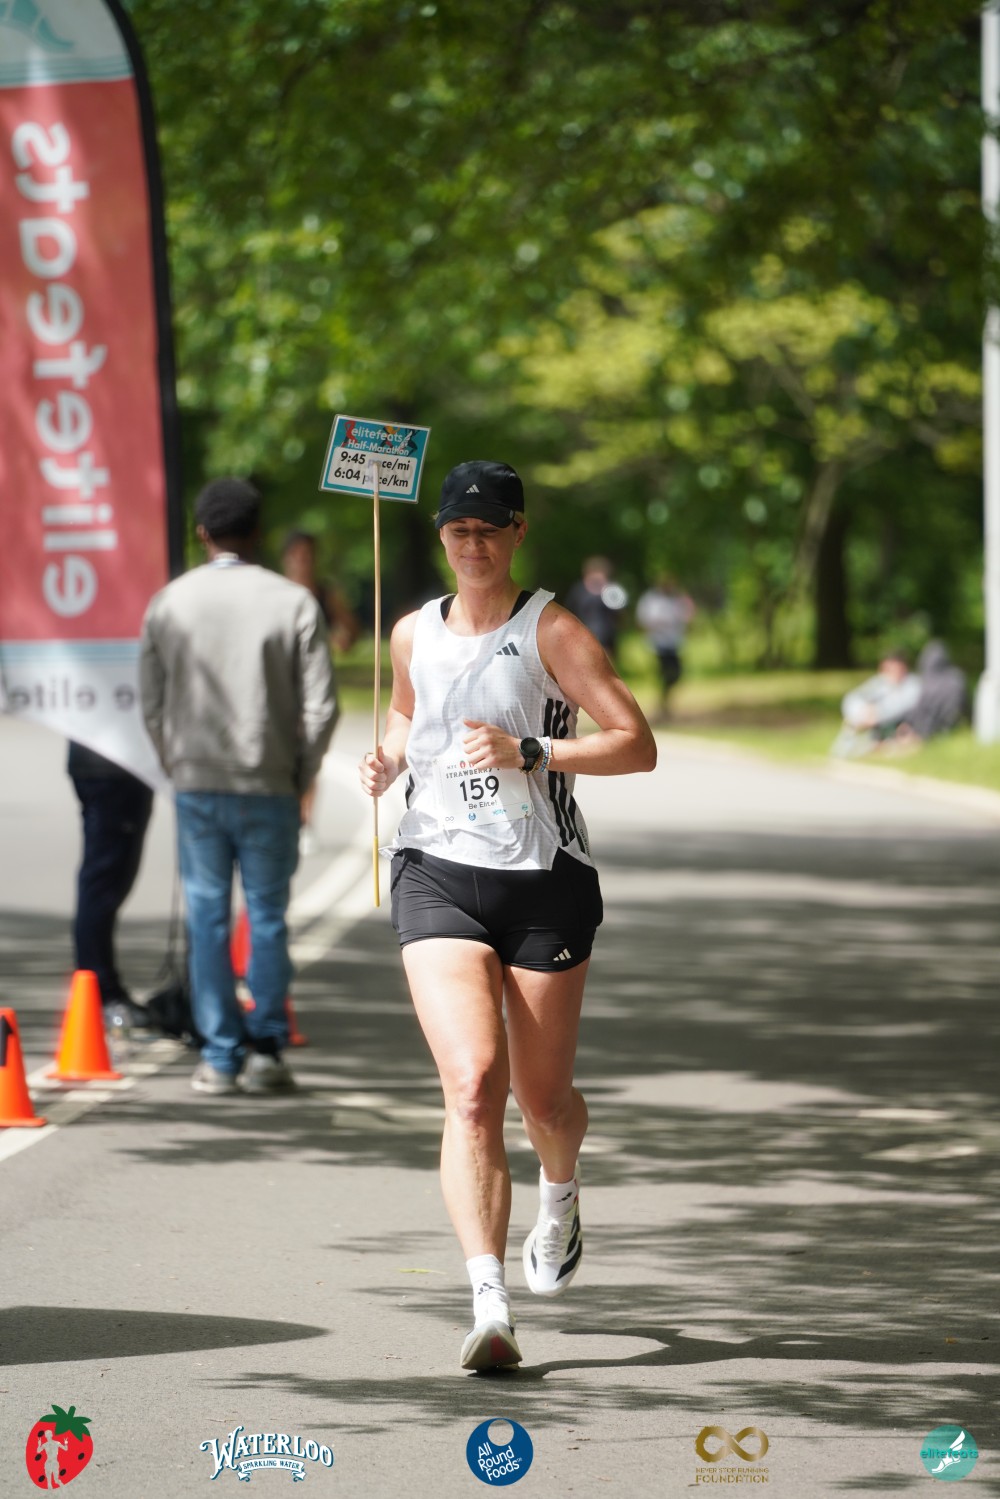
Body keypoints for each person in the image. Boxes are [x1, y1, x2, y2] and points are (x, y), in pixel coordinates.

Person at [359, 460, 656, 1372]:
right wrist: (387, 758)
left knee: (543, 1100)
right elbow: (407, 715)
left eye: (490, 528)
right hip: (436, 871)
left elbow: (636, 745)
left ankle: (559, 1193)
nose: (473, 543)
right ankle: (489, 1300)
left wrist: (533, 750)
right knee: (472, 1084)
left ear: (519, 531)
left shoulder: (551, 630)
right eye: (459, 529)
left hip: (543, 880)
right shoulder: (412, 631)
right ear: (441, 536)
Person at [140, 478, 338, 1095]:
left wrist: (175, 762)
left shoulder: (169, 603)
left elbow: (151, 703)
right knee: (268, 916)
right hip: (270, 782)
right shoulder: (294, 602)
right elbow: (322, 708)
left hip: (198, 782)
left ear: (202, 533)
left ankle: (220, 1055)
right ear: (258, 533)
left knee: (207, 918)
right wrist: (300, 772)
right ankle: (268, 1050)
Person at [67, 741, 154, 1030]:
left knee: (103, 880)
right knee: (104, 882)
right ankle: (102, 993)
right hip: (116, 764)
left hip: (99, 761)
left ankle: (99, 990)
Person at [830, 650, 921, 758]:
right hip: (873, 722)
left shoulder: (913, 685)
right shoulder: (880, 683)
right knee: (852, 726)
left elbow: (903, 706)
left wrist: (878, 713)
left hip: (899, 723)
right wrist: (862, 713)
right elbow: (853, 698)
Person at [636, 574, 696, 719]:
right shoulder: (651, 600)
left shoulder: (677, 599)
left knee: (676, 673)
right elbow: (644, 621)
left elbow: (686, 616)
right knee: (664, 673)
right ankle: (663, 704)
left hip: (673, 642)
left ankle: (665, 700)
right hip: (658, 643)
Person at [564, 556, 626, 663]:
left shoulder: (611, 591)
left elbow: (619, 614)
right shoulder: (578, 591)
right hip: (583, 638)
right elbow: (569, 613)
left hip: (606, 639)